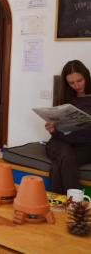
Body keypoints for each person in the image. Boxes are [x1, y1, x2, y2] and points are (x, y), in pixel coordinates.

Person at [45, 60, 91, 194]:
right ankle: (74, 204)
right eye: (71, 83)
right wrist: (53, 130)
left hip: (85, 146)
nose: (76, 85)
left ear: (86, 76)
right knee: (65, 154)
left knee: (62, 161)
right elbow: (58, 130)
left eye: (79, 80)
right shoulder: (65, 98)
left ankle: (59, 202)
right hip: (59, 142)